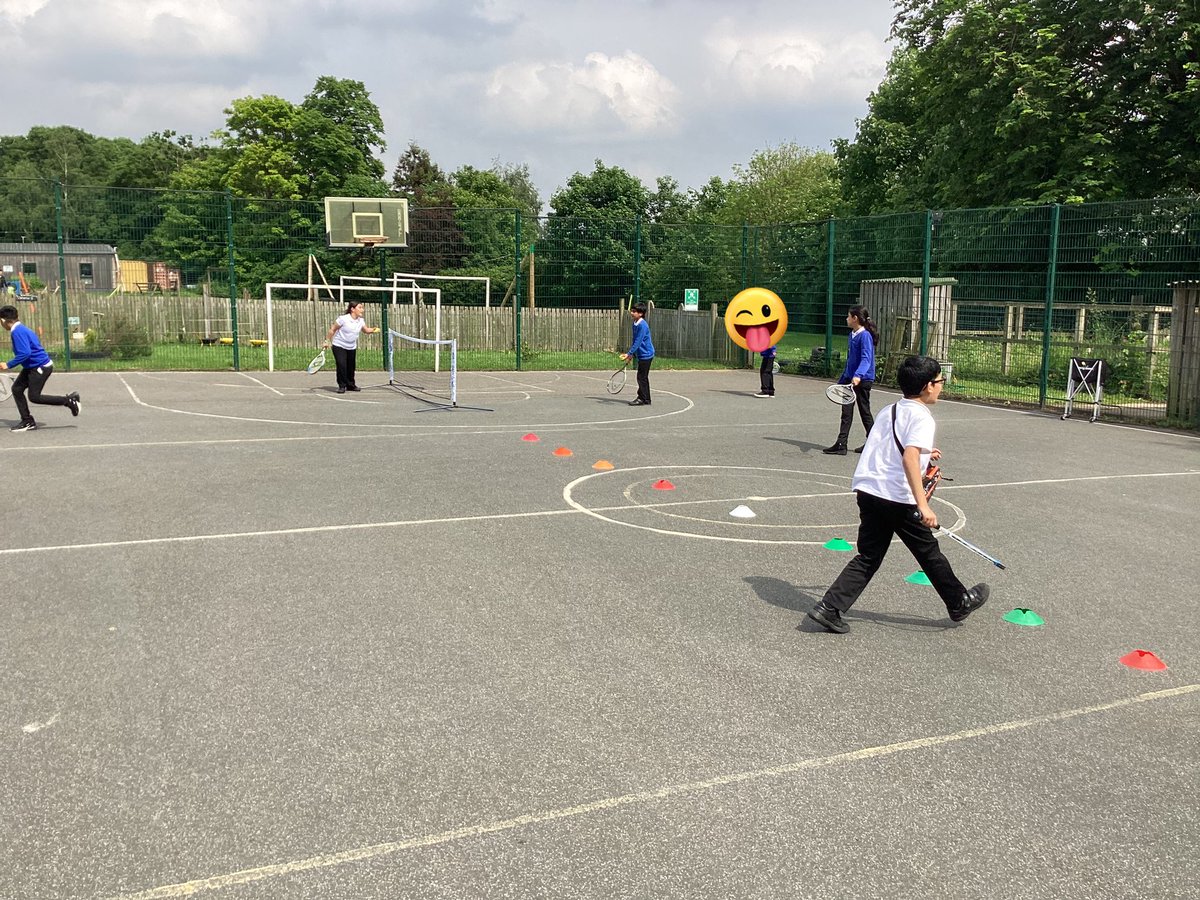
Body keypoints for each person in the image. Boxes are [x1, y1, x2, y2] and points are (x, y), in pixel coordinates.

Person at [807, 355, 990, 634]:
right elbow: (908, 458)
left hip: (869, 491)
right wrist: (923, 505)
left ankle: (829, 608)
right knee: (928, 552)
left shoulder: (890, 410)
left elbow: (889, 445)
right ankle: (958, 601)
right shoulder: (923, 418)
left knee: (869, 556)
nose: (942, 386)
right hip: (897, 497)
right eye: (940, 381)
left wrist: (925, 450)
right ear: (928, 386)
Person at [1, 304, 80, 432]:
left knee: (34, 397)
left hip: (40, 367)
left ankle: (69, 401)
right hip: (32, 366)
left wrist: (8, 364)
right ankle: (27, 421)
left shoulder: (17, 332)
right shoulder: (20, 328)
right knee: (17, 389)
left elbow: (25, 353)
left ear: (3, 321)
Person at [823, 305, 878, 455]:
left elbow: (866, 359)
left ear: (855, 318)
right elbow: (851, 361)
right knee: (846, 412)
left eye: (848, 316)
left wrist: (858, 375)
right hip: (851, 378)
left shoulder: (865, 335)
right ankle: (841, 443)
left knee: (864, 411)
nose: (846, 319)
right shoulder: (852, 335)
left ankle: (875, 443)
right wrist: (842, 380)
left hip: (863, 379)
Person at [323, 301, 380, 394]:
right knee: (342, 365)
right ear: (352, 309)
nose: (362, 310)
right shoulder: (343, 319)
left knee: (351, 367)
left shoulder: (360, 320)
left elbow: (366, 330)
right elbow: (332, 329)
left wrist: (373, 330)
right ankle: (342, 386)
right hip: (339, 345)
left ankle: (350, 385)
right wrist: (327, 341)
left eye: (362, 308)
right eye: (360, 307)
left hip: (351, 347)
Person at [621, 301, 654, 406]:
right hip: (641, 354)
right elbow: (635, 340)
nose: (632, 312)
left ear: (641, 314)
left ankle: (642, 398)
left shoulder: (642, 325)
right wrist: (632, 355)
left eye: (634, 311)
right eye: (632, 310)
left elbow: (638, 341)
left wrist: (629, 353)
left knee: (641, 377)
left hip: (647, 354)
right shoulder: (635, 323)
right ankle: (646, 399)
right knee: (642, 377)